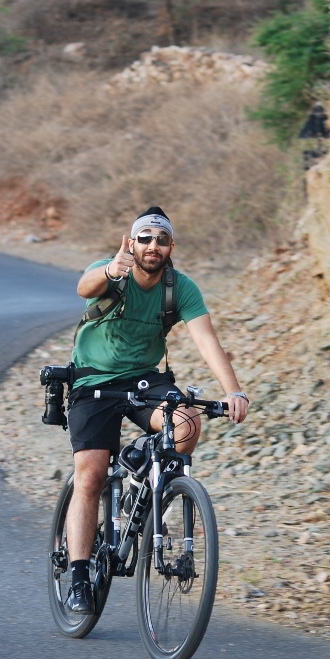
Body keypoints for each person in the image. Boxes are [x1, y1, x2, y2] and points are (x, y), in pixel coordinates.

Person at [64, 206, 249, 614]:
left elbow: (206, 340)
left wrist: (234, 391)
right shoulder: (112, 270)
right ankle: (78, 575)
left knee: (186, 423)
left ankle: (146, 488)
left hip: (145, 380)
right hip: (93, 381)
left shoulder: (179, 287)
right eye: (144, 238)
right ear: (131, 242)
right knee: (91, 475)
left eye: (161, 239)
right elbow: (84, 286)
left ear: (171, 247)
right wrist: (112, 270)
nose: (152, 246)